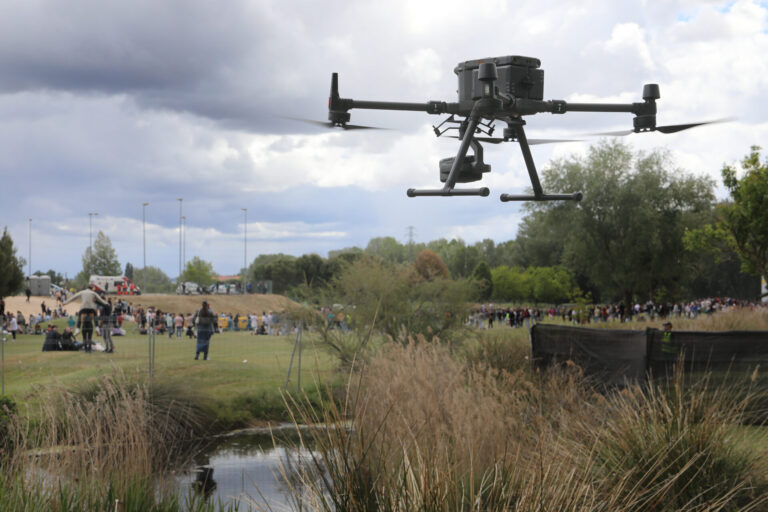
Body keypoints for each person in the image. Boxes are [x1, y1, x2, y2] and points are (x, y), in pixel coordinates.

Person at [63, 285, 109, 353]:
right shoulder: (93, 293)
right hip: (91, 308)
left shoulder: (82, 292)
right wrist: (106, 303)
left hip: (84, 307)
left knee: (80, 315)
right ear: (91, 289)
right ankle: (97, 327)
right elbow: (100, 299)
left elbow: (73, 297)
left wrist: (65, 302)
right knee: (95, 315)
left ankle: (77, 329)